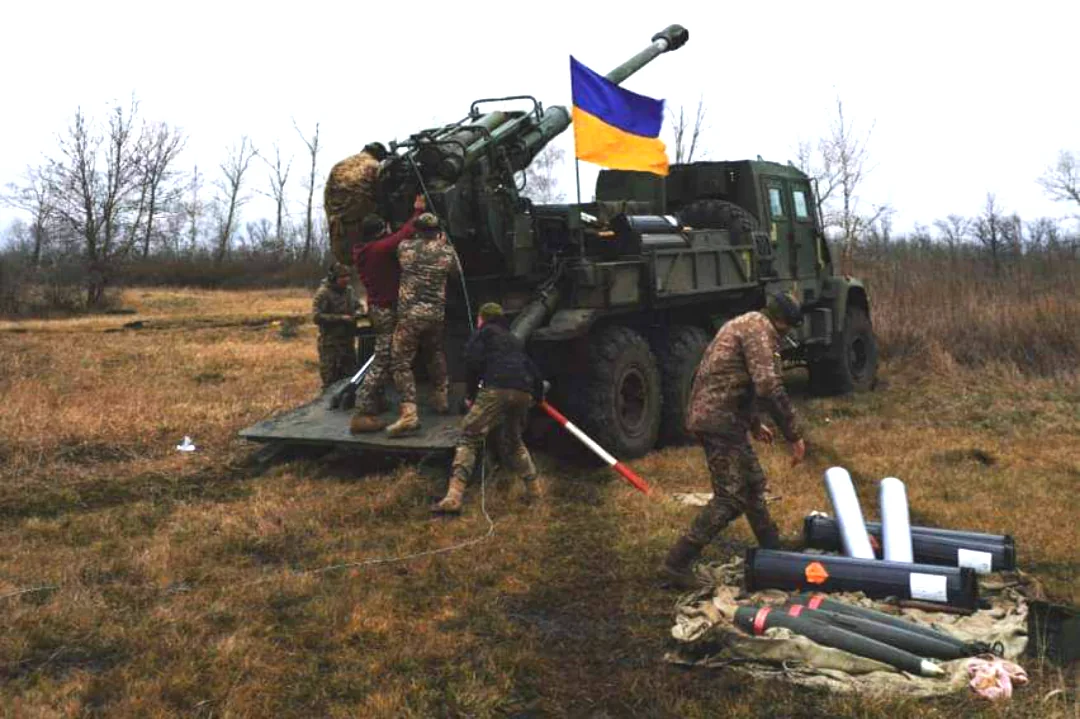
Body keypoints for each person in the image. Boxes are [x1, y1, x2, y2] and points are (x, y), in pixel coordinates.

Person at [659, 291, 807, 589]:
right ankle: (677, 563)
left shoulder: (748, 324)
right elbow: (767, 386)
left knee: (752, 483)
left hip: (725, 417)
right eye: (788, 328)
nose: (787, 334)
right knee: (731, 497)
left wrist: (753, 422)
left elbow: (734, 377)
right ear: (781, 321)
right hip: (719, 421)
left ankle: (772, 548)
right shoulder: (760, 331)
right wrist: (794, 434)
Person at [431, 302, 545, 514]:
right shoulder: (512, 339)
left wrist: (470, 396)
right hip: (523, 391)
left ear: (481, 318)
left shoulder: (483, 334)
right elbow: (532, 368)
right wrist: (537, 397)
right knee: (514, 442)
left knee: (469, 436)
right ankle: (535, 492)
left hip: (496, 389)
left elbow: (472, 362)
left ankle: (453, 497)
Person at [348, 194, 426, 433]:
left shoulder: (364, 250)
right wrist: (418, 211)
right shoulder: (379, 250)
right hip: (385, 310)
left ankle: (375, 401)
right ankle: (362, 411)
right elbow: (403, 235)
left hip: (378, 308)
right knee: (383, 358)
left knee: (386, 356)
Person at [385, 212, 460, 437]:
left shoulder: (405, 248)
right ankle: (441, 398)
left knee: (400, 362)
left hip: (410, 316)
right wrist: (443, 246)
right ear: (437, 231)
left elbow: (396, 253)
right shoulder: (447, 252)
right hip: (435, 315)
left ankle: (409, 414)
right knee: (434, 353)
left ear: (418, 230)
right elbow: (456, 274)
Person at [323, 142, 389, 265]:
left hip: (337, 227)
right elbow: (383, 196)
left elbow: (327, 194)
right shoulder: (374, 166)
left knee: (347, 263)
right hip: (360, 226)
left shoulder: (339, 165)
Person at [312, 262, 360, 389]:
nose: (346, 279)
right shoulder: (323, 293)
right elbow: (316, 317)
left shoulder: (349, 291)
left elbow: (358, 306)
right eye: (342, 277)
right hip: (330, 344)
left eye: (348, 276)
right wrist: (341, 318)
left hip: (348, 342)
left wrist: (358, 313)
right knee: (330, 380)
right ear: (333, 278)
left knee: (351, 378)